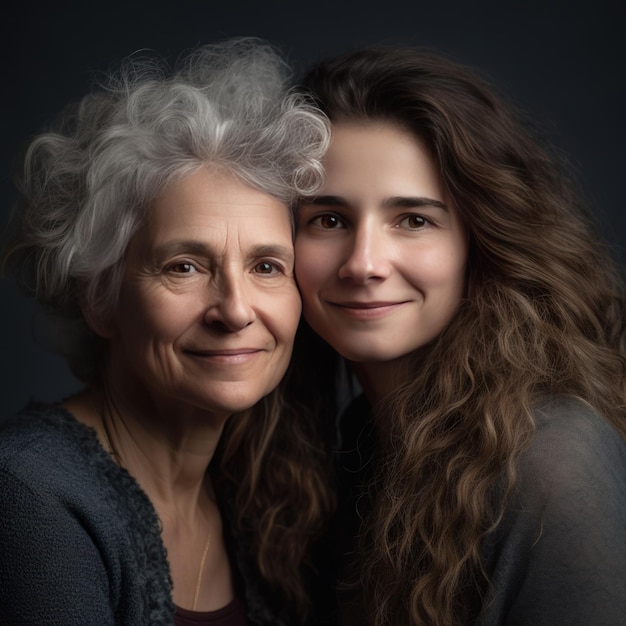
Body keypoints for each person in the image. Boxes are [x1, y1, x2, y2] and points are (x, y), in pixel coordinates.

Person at [0, 38, 334, 625]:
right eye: (185, 266)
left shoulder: (257, 499)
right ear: (99, 299)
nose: (234, 310)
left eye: (266, 267)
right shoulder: (30, 499)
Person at [293, 46, 626, 625]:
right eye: (329, 220)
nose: (364, 263)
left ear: (480, 242)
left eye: (414, 220)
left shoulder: (551, 460)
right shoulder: (353, 447)